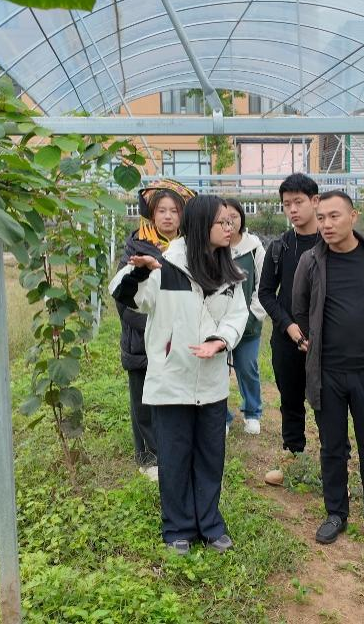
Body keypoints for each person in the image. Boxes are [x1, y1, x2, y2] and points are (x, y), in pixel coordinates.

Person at [110, 195, 249, 555]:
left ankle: (211, 524)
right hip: (173, 379)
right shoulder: (165, 266)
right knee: (174, 456)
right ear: (202, 225)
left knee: (210, 456)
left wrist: (221, 340)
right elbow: (126, 295)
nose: (230, 227)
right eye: (222, 222)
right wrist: (139, 272)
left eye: (231, 222)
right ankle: (177, 528)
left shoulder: (228, 270)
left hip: (211, 380)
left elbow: (238, 315)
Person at [292, 190, 364, 552]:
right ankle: (336, 513)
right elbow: (300, 308)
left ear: (353, 217)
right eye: (321, 217)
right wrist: (309, 339)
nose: (326, 224)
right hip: (328, 373)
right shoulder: (311, 261)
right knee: (332, 446)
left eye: (334, 216)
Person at [116, 179, 195, 482]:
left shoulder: (189, 248)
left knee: (175, 398)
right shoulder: (136, 247)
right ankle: (148, 455)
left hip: (180, 340)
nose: (168, 216)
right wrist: (156, 328)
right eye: (162, 210)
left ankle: (173, 452)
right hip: (142, 339)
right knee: (143, 400)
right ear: (151, 214)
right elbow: (124, 299)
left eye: (174, 210)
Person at [257, 173, 322, 485]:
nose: (292, 209)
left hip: (325, 340)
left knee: (328, 404)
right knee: (291, 401)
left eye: (298, 202)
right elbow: (266, 293)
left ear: (315, 201)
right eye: (287, 204)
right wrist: (289, 326)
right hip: (287, 339)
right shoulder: (280, 247)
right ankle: (293, 460)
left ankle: (333, 467)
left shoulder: (330, 243)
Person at [223, 198, 267, 435]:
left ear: (242, 217)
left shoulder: (253, 247)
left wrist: (253, 314)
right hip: (218, 324)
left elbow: (263, 284)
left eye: (234, 216)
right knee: (218, 371)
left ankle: (252, 412)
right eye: (223, 218)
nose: (229, 221)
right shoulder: (214, 246)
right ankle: (221, 416)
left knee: (247, 367)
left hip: (248, 323)